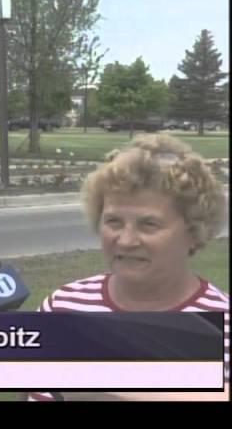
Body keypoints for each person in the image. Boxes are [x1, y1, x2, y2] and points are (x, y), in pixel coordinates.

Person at [27, 134, 229, 401]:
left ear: (194, 231)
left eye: (148, 225)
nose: (125, 240)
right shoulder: (63, 307)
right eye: (113, 221)